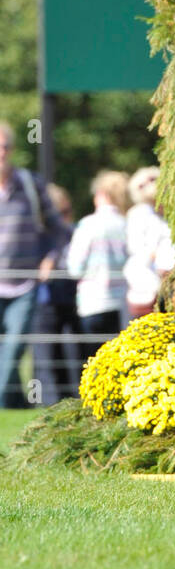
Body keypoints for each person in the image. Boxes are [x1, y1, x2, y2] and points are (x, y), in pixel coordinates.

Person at [0, 122, 72, 408]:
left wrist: (49, 259)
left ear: (12, 149)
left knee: (15, 345)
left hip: (24, 283)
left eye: (5, 147)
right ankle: (12, 402)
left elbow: (60, 229)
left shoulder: (30, 184)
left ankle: (3, 403)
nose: (1, 153)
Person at [67, 171, 130, 365]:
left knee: (94, 365)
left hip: (93, 302)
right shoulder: (126, 224)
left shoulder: (88, 225)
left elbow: (74, 267)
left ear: (102, 194)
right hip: (122, 303)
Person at [31, 183, 80, 405]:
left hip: (67, 295)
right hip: (46, 296)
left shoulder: (69, 232)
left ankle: (67, 399)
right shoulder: (40, 236)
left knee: (67, 350)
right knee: (46, 352)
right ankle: (50, 401)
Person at [124, 167, 175, 318]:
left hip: (174, 283)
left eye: (152, 180)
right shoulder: (138, 214)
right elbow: (137, 248)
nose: (149, 185)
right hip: (149, 285)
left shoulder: (173, 212)